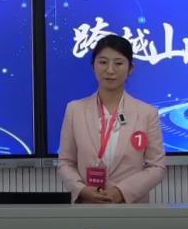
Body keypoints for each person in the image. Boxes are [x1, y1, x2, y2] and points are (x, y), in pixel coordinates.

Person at [57, 34, 166, 203]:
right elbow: (65, 162)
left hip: (130, 208)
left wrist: (121, 192)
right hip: (88, 207)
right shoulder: (75, 110)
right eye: (103, 62)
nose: (110, 70)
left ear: (130, 68)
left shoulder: (147, 113)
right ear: (93, 66)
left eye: (118, 63)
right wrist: (81, 189)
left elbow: (157, 167)